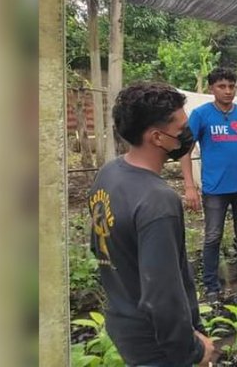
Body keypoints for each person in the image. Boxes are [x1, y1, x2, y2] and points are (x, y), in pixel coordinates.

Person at [89, 83, 215, 366]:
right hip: (157, 344)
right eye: (182, 128)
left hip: (123, 322)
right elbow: (162, 296)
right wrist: (194, 349)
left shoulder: (108, 174)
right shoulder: (157, 201)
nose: (187, 134)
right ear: (157, 137)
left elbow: (98, 246)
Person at [180, 67, 237, 301]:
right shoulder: (201, 115)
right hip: (215, 190)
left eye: (231, 86)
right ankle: (211, 287)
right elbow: (184, 151)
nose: (228, 91)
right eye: (222, 86)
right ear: (212, 88)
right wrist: (189, 186)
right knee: (212, 237)